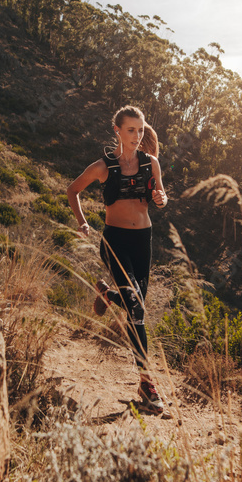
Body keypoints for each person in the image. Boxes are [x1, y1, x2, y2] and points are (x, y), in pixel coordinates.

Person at [67, 105, 168, 413]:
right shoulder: (103, 166)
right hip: (114, 242)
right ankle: (147, 383)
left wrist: (161, 199)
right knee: (136, 309)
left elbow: (160, 197)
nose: (137, 136)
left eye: (140, 130)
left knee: (134, 303)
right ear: (117, 131)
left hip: (143, 242)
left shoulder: (151, 163)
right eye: (130, 130)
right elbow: (73, 191)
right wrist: (82, 222)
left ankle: (108, 295)